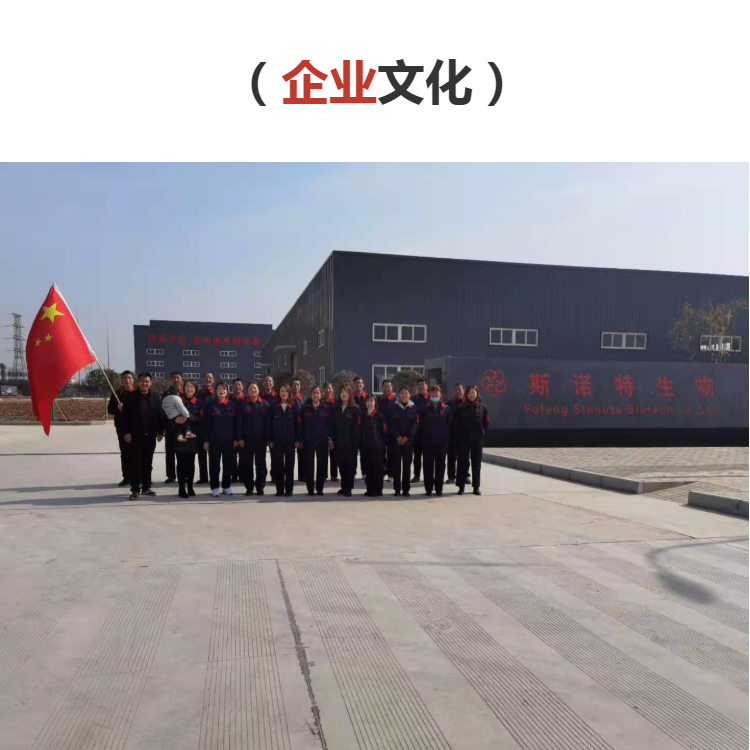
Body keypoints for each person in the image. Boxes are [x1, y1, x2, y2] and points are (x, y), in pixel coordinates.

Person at [122, 372, 164, 500]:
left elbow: (160, 415)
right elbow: (124, 417)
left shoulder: (155, 396)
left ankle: (146, 487)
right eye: (142, 381)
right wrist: (126, 432)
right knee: (136, 462)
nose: (144, 384)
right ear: (138, 382)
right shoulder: (130, 397)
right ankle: (135, 489)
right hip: (135, 436)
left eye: (147, 381)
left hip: (150, 435)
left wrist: (160, 431)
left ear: (150, 383)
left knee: (148, 462)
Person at [202, 381, 239, 497]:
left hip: (229, 441)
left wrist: (236, 438)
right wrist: (206, 440)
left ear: (227, 391)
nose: (222, 391)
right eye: (219, 389)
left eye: (224, 389)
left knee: (228, 464)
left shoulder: (233, 405)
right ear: (216, 391)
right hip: (214, 440)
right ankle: (215, 487)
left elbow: (237, 423)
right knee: (214, 464)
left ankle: (226, 486)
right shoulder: (210, 405)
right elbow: (206, 424)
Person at [455, 384, 490, 496]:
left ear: (477, 393)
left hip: (477, 440)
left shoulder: (483, 408)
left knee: (476, 464)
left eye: (473, 393)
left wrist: (481, 433)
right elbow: (457, 424)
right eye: (469, 393)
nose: (471, 395)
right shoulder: (461, 408)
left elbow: (486, 423)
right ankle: (461, 487)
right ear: (466, 394)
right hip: (464, 439)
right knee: (462, 463)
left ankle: (476, 487)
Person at [236, 382, 269, 496]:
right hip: (246, 440)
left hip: (260, 440)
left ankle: (260, 487)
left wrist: (267, 438)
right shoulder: (242, 404)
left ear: (258, 390)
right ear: (247, 391)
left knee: (261, 465)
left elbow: (268, 424)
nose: (253, 390)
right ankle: (249, 488)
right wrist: (240, 438)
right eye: (250, 388)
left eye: (255, 388)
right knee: (247, 465)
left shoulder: (265, 404)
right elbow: (238, 422)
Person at [297, 385, 330, 496]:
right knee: (309, 465)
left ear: (321, 395)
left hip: (322, 441)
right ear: (311, 394)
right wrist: (300, 440)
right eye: (314, 393)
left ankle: (320, 489)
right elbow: (300, 425)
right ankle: (310, 489)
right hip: (308, 441)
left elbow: (330, 425)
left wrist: (330, 439)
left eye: (318, 393)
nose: (316, 395)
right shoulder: (305, 408)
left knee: (322, 465)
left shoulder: (326, 408)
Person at [386, 386, 419, 497]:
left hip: (408, 442)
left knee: (406, 466)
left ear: (409, 395)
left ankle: (406, 489)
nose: (404, 395)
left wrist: (407, 437)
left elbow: (415, 424)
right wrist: (398, 437)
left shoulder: (414, 408)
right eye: (402, 393)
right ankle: (397, 489)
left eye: (406, 393)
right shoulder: (393, 407)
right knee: (396, 466)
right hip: (396, 441)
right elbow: (391, 424)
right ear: (398, 395)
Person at [329, 385, 361, 497]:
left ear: (350, 394)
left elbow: (358, 427)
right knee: (341, 464)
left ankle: (349, 488)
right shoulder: (336, 408)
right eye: (342, 392)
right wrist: (331, 440)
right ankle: (343, 487)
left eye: (346, 392)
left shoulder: (355, 409)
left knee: (350, 465)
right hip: (338, 442)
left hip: (350, 443)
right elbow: (332, 426)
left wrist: (356, 443)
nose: (343, 394)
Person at [420, 385, 451, 496]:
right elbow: (420, 426)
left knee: (440, 466)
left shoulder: (446, 408)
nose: (434, 394)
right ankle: (428, 489)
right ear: (430, 394)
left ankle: (439, 489)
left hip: (441, 443)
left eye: (436, 392)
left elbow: (450, 425)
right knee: (428, 466)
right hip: (428, 443)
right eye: (432, 393)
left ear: (440, 394)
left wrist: (447, 440)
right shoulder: (424, 408)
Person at [268, 383, 297, 496]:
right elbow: (269, 425)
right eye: (281, 391)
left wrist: (297, 439)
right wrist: (270, 440)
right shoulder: (273, 407)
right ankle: (279, 489)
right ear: (278, 393)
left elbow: (298, 425)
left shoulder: (293, 407)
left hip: (290, 441)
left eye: (286, 391)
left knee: (290, 466)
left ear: (289, 393)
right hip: (277, 441)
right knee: (278, 465)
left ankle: (289, 490)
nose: (284, 393)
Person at [107, 370, 135, 486]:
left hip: (136, 429)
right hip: (122, 429)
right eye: (125, 378)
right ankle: (126, 477)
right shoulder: (116, 394)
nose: (127, 380)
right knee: (125, 453)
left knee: (137, 454)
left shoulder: (137, 393)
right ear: (122, 380)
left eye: (129, 378)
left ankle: (138, 477)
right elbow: (110, 410)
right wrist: (117, 408)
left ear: (133, 380)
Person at [176, 380, 202, 498]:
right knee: (181, 463)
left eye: (192, 387)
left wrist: (188, 416)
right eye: (187, 386)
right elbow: (173, 418)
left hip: (192, 438)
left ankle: (190, 487)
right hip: (180, 437)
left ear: (195, 389)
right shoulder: (178, 401)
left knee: (191, 464)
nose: (189, 389)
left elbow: (201, 419)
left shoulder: (199, 403)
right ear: (183, 388)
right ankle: (181, 488)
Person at [361, 394, 387, 497]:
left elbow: (384, 431)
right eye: (367, 401)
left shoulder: (379, 415)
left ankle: (378, 490)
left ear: (375, 403)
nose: (369, 403)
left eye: (371, 401)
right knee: (368, 468)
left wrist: (382, 444)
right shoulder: (363, 415)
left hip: (377, 447)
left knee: (377, 469)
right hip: (366, 446)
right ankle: (370, 489)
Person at [162, 371, 183, 484]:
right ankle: (171, 476)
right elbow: (162, 412)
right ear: (171, 380)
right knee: (170, 453)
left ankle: (182, 475)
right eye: (174, 378)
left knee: (182, 454)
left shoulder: (186, 392)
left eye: (178, 377)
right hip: (170, 428)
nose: (176, 380)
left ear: (181, 380)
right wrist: (163, 428)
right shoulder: (166, 394)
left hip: (182, 429)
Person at [447, 382, 470, 485]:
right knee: (451, 457)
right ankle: (451, 476)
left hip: (464, 436)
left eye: (459, 390)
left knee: (464, 457)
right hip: (452, 435)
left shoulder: (468, 404)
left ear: (463, 391)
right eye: (455, 390)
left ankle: (465, 475)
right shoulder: (449, 405)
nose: (457, 391)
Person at [195, 372, 215, 485]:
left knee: (213, 456)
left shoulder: (216, 394)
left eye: (210, 378)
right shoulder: (198, 394)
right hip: (200, 428)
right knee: (201, 455)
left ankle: (213, 477)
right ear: (202, 380)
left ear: (213, 380)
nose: (208, 379)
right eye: (206, 377)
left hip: (212, 428)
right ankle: (203, 477)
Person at [378, 380, 396, 480]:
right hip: (380, 432)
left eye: (389, 386)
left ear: (392, 388)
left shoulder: (396, 400)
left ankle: (391, 474)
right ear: (382, 388)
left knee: (391, 453)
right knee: (380, 453)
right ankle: (382, 471)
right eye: (385, 386)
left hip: (392, 431)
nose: (387, 388)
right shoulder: (378, 400)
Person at [412, 379, 429, 483]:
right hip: (416, 433)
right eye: (419, 385)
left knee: (428, 456)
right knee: (417, 456)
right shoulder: (413, 399)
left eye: (423, 384)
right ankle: (416, 475)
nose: (421, 386)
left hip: (428, 433)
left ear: (427, 386)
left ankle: (428, 475)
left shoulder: (432, 398)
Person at [321, 382, 338, 482]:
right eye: (326, 388)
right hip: (323, 430)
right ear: (323, 390)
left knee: (334, 454)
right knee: (323, 454)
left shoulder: (336, 402)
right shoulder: (321, 402)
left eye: (330, 388)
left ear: (332, 390)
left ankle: (334, 474)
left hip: (334, 431)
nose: (328, 390)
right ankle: (323, 474)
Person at [290, 377, 305, 482]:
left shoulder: (304, 400)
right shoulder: (288, 399)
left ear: (300, 386)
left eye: (298, 384)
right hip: (290, 431)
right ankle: (289, 477)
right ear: (291, 386)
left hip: (301, 431)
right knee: (290, 457)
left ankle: (302, 476)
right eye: (294, 384)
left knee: (302, 455)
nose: (296, 386)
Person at [230, 378, 245, 482]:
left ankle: (242, 475)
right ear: (233, 387)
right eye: (235, 385)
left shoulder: (247, 400)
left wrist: (241, 437)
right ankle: (234, 476)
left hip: (244, 434)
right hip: (231, 434)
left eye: (239, 385)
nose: (237, 387)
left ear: (242, 387)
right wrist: (234, 438)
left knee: (243, 457)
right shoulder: (229, 400)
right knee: (232, 457)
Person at [352, 376, 367, 478]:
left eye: (360, 383)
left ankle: (364, 472)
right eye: (356, 383)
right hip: (353, 429)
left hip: (365, 429)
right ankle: (352, 472)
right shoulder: (350, 398)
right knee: (352, 452)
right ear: (353, 385)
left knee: (364, 452)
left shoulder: (368, 397)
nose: (358, 385)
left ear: (363, 384)